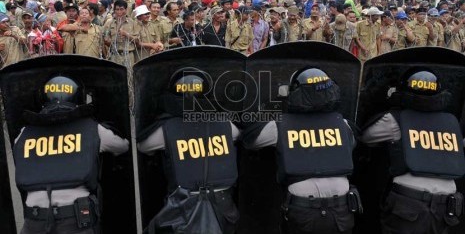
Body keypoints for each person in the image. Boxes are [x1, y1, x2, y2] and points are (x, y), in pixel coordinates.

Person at [243, 68, 362, 234]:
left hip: (303, 211)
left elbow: (251, 140)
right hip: (341, 210)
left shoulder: (280, 126)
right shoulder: (344, 124)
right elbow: (356, 141)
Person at [13, 75, 129, 233]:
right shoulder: (93, 129)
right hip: (76, 220)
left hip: (34, 222)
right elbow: (123, 146)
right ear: (79, 98)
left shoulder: (24, 133)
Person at [360, 69, 465, 234]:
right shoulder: (452, 123)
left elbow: (366, 137)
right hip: (447, 207)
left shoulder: (395, 119)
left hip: (409, 204)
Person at [138, 68, 240, 233]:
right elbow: (241, 135)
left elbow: (143, 147)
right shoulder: (226, 124)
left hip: (185, 209)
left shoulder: (167, 129)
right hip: (224, 209)